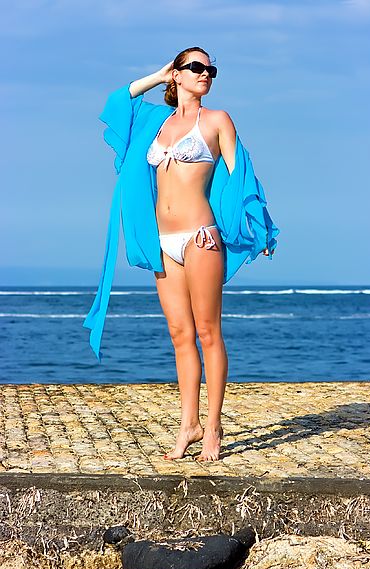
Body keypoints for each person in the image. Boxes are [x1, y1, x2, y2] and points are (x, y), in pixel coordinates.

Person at [83, 46, 279, 462]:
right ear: (177, 74)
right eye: (196, 67)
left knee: (208, 332)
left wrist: (257, 224)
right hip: (163, 241)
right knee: (179, 335)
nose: (205, 74)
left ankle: (212, 427)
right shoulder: (155, 121)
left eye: (211, 69)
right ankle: (187, 423)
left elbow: (240, 173)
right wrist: (157, 76)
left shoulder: (217, 120)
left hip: (201, 237)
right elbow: (117, 101)